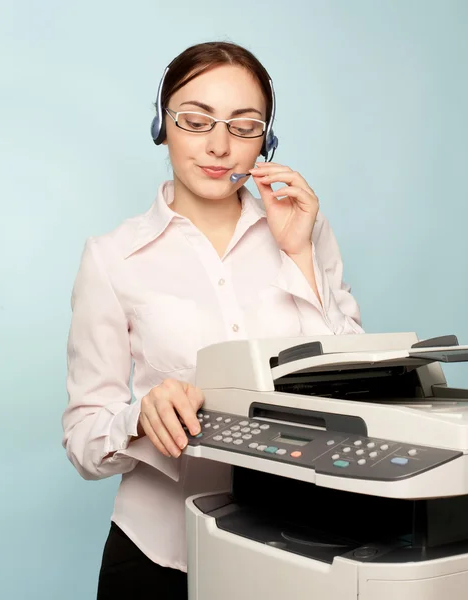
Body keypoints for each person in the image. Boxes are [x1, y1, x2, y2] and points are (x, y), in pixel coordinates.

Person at [62, 40, 364, 600]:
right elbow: (83, 438)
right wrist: (140, 419)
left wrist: (299, 255)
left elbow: (355, 387)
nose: (220, 146)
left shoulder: (306, 230)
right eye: (197, 121)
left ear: (266, 140)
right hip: (158, 554)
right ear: (163, 123)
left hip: (296, 549)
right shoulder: (111, 257)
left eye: (244, 127)